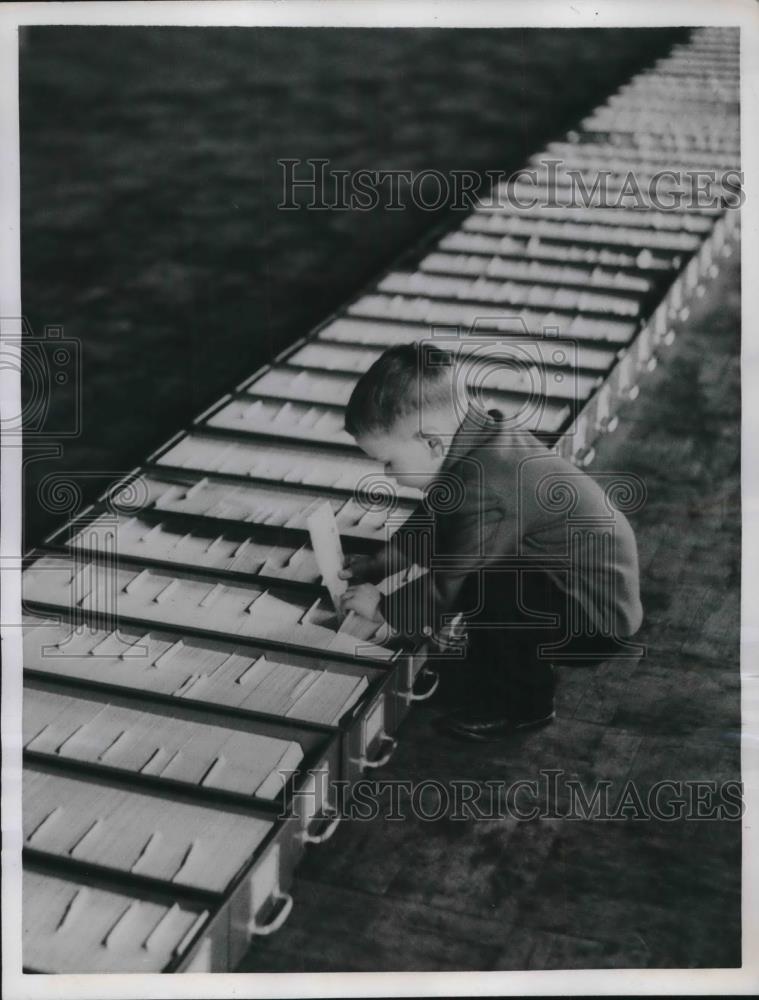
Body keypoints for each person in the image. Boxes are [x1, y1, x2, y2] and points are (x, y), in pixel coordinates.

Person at [338, 342, 644, 742]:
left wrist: (384, 609)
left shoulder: (487, 484)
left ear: (432, 444)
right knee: (489, 580)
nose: (387, 473)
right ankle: (506, 665)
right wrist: (378, 564)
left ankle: (525, 706)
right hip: (575, 590)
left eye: (389, 461)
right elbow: (435, 522)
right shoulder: (480, 443)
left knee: (482, 585)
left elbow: (449, 580)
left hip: (597, 621)